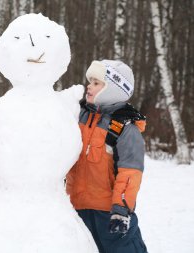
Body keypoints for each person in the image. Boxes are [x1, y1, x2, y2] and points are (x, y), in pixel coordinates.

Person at [65, 59, 148, 253]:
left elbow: (130, 173)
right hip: (77, 211)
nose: (89, 86)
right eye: (90, 81)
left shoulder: (125, 128)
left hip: (110, 214)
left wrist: (121, 208)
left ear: (113, 88)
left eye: (96, 83)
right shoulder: (78, 117)